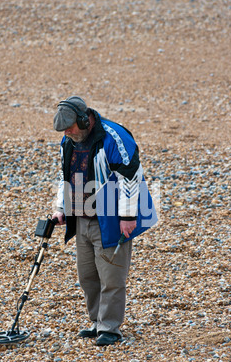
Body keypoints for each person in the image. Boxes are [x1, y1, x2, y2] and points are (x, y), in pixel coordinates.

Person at [52, 96, 157, 346]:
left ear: (83, 119)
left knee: (111, 274)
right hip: (82, 217)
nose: (66, 132)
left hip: (110, 218)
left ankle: (110, 328)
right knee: (87, 275)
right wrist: (60, 208)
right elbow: (64, 174)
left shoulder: (114, 137)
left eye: (70, 126)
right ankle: (98, 322)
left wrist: (128, 216)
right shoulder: (69, 141)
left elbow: (131, 178)